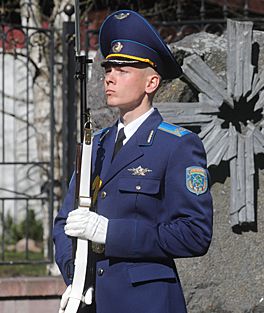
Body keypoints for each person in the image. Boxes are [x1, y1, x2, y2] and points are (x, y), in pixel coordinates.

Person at [52, 10, 213, 313]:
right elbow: (65, 222)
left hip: (145, 302)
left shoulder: (177, 146)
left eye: (123, 70)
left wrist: (110, 233)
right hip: (90, 301)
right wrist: (76, 275)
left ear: (151, 82)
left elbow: (195, 234)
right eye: (108, 69)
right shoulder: (94, 145)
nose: (109, 77)